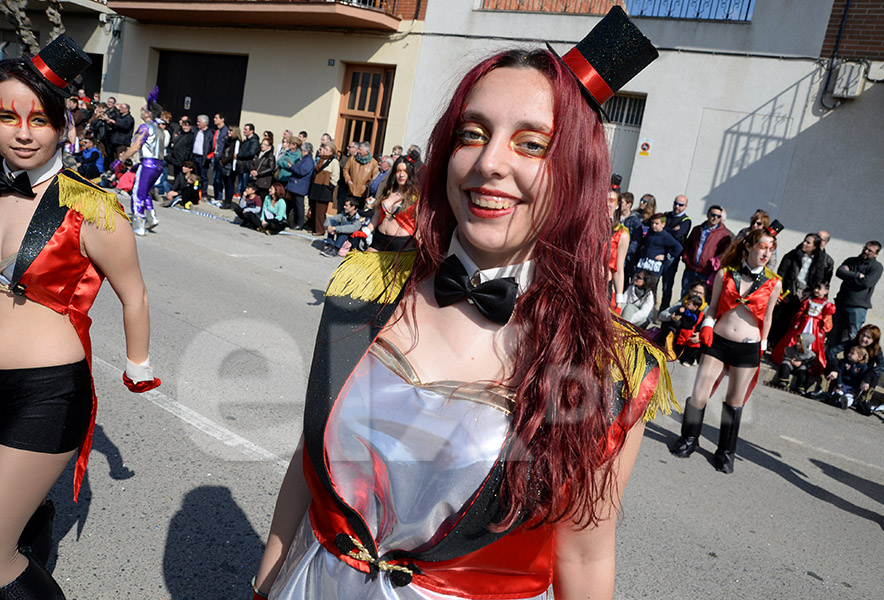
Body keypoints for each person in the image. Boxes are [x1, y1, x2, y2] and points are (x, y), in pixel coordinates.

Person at [251, 9, 668, 599]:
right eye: (473, 134)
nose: (489, 163)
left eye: (533, 144)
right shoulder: (368, 287)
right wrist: (265, 582)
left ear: (578, 172)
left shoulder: (612, 368)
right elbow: (308, 457)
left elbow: (584, 556)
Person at [0, 35, 160, 599]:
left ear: (63, 127)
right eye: (7, 116)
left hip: (46, 393)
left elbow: (133, 294)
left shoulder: (92, 205)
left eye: (39, 120)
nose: (22, 132)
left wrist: (137, 362)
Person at [670, 228, 782, 473]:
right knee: (700, 394)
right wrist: (707, 326)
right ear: (748, 246)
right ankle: (689, 438)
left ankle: (725, 451)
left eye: (770, 249)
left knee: (734, 401)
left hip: (748, 348)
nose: (766, 253)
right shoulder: (725, 273)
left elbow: (769, 318)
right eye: (762, 246)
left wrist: (761, 347)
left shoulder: (774, 283)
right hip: (718, 342)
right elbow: (711, 308)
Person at [768, 233, 828, 348]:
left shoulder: (819, 261)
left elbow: (819, 278)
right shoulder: (793, 255)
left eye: (808, 242)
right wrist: (779, 291)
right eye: (804, 241)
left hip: (804, 294)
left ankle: (780, 346)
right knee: (777, 317)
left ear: (815, 247)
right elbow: (782, 273)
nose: (804, 244)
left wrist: (812, 293)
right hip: (788, 290)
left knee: (792, 321)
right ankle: (770, 342)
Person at [120, 87, 166, 236]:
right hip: (159, 165)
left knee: (137, 193)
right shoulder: (159, 129)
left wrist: (123, 157)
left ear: (149, 113)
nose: (141, 110)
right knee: (145, 192)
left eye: (143, 109)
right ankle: (151, 217)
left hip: (148, 164)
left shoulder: (145, 127)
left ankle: (139, 224)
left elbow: (135, 146)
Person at [771, 281, 835, 379]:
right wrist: (797, 322)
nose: (816, 291)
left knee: (812, 345)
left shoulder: (827, 305)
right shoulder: (808, 300)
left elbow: (827, 318)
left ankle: (807, 365)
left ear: (826, 291)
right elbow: (801, 312)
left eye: (819, 289)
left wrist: (823, 330)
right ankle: (789, 359)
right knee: (795, 340)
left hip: (815, 327)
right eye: (815, 288)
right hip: (804, 324)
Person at [820, 324, 884, 415]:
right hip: (844, 372)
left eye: (868, 337)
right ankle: (822, 390)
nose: (864, 339)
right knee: (833, 362)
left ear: (874, 340)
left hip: (860, 378)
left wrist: (866, 379)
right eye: (863, 335)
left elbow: (882, 366)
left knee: (874, 374)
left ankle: (864, 400)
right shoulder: (851, 343)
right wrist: (835, 369)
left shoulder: (876, 350)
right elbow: (831, 352)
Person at [829, 241, 883, 347]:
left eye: (870, 250)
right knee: (834, 333)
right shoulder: (851, 260)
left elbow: (866, 283)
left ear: (876, 254)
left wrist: (848, 276)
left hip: (858, 307)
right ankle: (830, 360)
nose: (865, 251)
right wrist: (858, 275)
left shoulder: (876, 267)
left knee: (852, 336)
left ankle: (849, 360)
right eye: (865, 248)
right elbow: (839, 272)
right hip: (841, 302)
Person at [362, 155, 418, 252]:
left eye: (405, 171)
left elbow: (420, 223)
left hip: (401, 244)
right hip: (379, 240)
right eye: (398, 171)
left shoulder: (416, 196)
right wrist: (366, 231)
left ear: (410, 173)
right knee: (357, 266)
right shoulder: (387, 191)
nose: (401, 175)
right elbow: (377, 214)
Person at [680, 204, 732, 297]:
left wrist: (712, 266)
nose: (715, 218)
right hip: (690, 270)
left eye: (718, 216)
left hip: (705, 273)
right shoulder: (697, 229)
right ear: (708, 215)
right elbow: (687, 245)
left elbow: (723, 255)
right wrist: (686, 259)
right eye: (713, 215)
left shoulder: (724, 235)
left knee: (701, 300)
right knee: (685, 296)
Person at [659, 194, 691, 310]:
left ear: (685, 206)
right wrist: (670, 230)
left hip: (672, 256)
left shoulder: (686, 221)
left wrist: (665, 230)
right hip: (659, 253)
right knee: (652, 282)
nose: (677, 206)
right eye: (675, 203)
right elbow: (658, 229)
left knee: (667, 285)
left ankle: (663, 310)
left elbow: (678, 235)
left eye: (680, 205)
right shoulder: (666, 215)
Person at [634, 212, 682, 278]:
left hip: (654, 267)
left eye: (657, 223)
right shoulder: (650, 232)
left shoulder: (666, 236)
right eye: (652, 223)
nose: (654, 225)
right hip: (643, 263)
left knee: (650, 286)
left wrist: (666, 257)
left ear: (663, 224)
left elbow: (678, 247)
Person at [308, 140, 340, 235]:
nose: (324, 151)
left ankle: (320, 230)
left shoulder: (334, 162)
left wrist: (330, 185)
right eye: (324, 149)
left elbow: (335, 176)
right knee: (314, 208)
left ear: (331, 151)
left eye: (327, 149)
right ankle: (314, 228)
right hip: (316, 186)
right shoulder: (321, 159)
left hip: (324, 188)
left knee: (320, 211)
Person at [607, 189, 629, 313]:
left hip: (603, 288)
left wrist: (619, 302)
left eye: (611, 200)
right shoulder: (588, 226)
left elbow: (619, 270)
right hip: (582, 283)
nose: (608, 204)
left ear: (617, 205)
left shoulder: (622, 234)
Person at [828, 345, 870, 410]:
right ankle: (835, 399)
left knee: (849, 398)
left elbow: (861, 379)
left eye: (852, 353)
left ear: (860, 357)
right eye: (849, 352)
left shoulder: (863, 367)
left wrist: (856, 390)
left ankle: (844, 403)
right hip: (842, 384)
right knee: (838, 393)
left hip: (851, 388)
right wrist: (839, 384)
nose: (849, 354)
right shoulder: (845, 362)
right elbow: (840, 372)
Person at [284, 142, 314, 230]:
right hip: (297, 186)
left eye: (302, 150)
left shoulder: (308, 160)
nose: (300, 152)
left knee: (299, 206)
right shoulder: (304, 159)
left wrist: (292, 167)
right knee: (295, 205)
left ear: (306, 151)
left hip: (300, 186)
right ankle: (295, 222)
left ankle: (299, 223)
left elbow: (302, 171)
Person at [219, 124, 242, 210]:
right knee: (225, 183)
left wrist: (224, 160)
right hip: (224, 164)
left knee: (230, 184)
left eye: (231, 131)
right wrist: (222, 160)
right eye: (229, 130)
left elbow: (233, 154)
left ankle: (228, 201)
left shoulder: (237, 142)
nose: (229, 132)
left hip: (231, 166)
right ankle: (226, 200)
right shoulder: (227, 141)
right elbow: (224, 151)